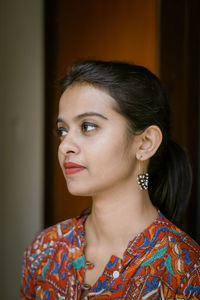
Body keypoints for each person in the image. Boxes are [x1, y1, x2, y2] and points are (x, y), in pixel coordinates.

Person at [21, 60, 200, 299]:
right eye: (62, 130)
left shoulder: (186, 270)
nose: (65, 146)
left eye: (87, 126)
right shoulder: (43, 250)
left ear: (145, 143)